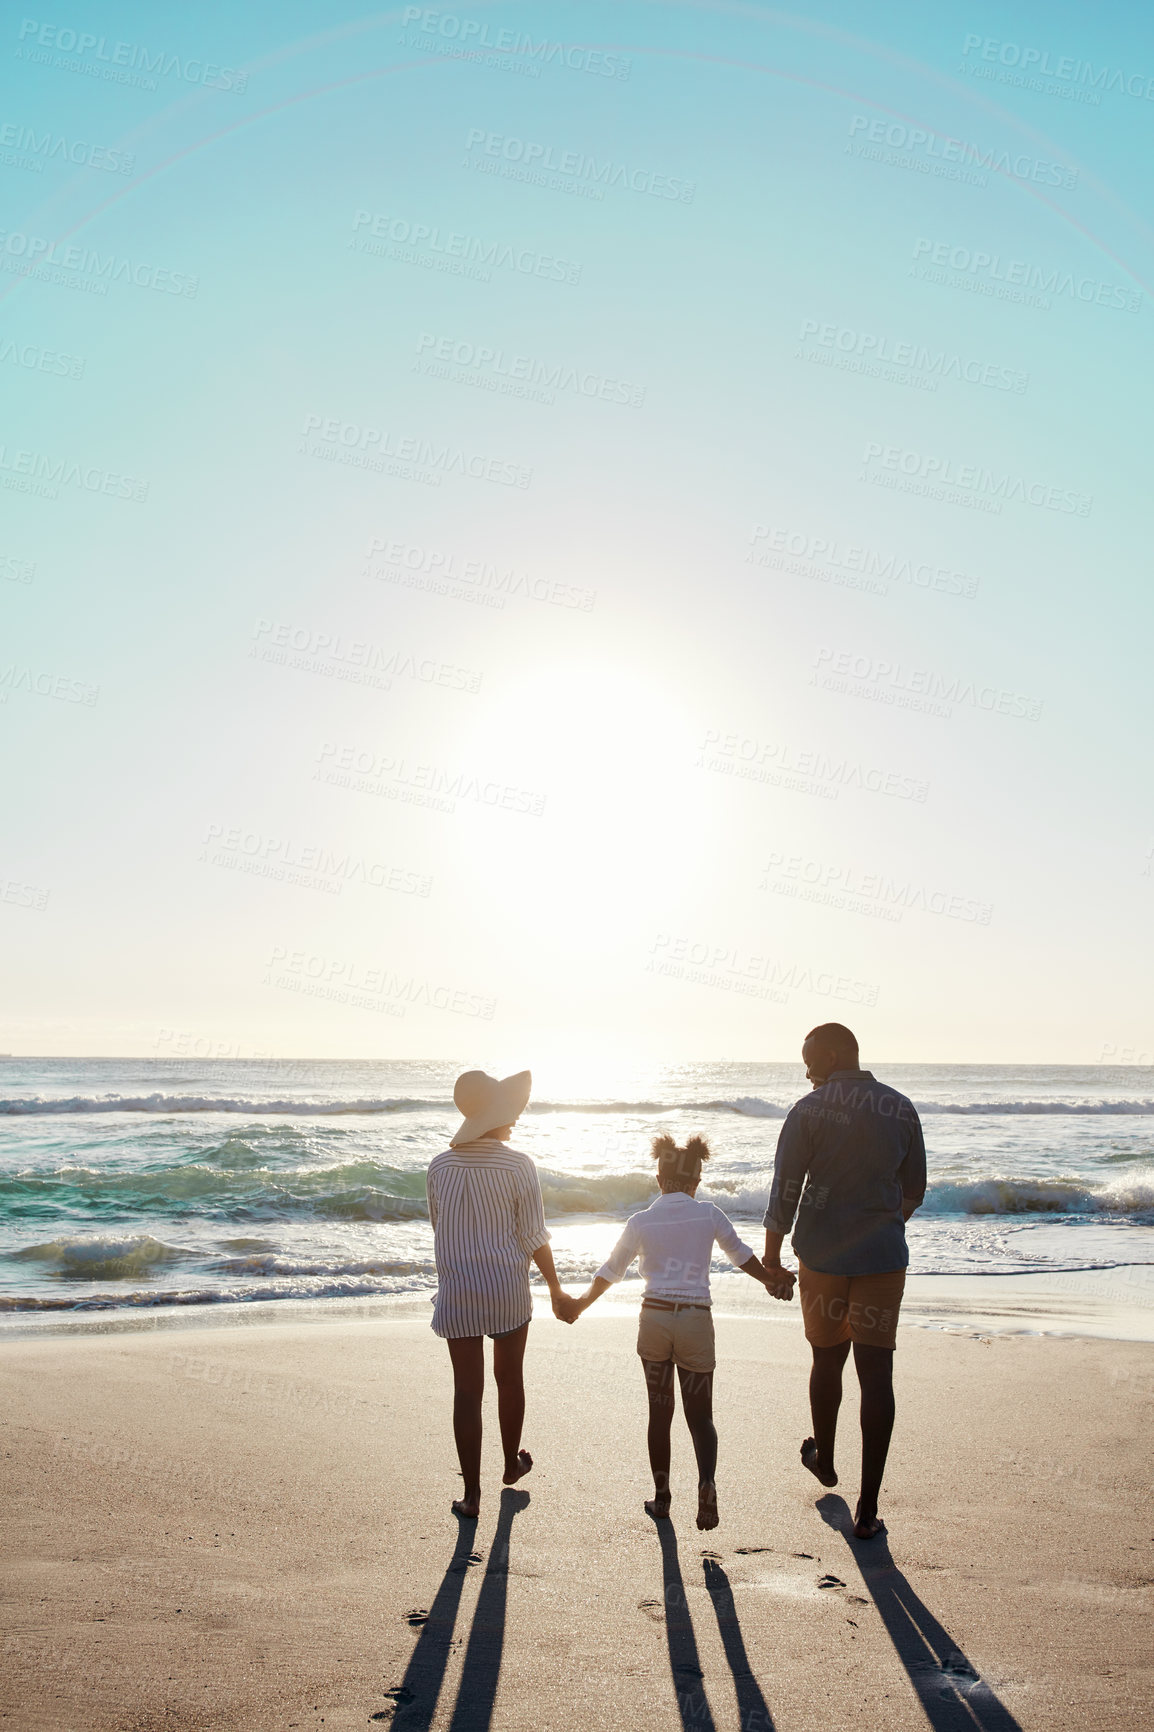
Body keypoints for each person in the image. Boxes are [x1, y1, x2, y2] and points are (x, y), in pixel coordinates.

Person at [567, 1134, 793, 1529]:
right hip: (694, 1320)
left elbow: (611, 1270)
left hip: (654, 1320)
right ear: (696, 1181)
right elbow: (741, 1256)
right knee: (700, 1416)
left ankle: (661, 1497)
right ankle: (706, 1483)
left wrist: (579, 1305)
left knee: (660, 1413)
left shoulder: (640, 1221)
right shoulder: (709, 1214)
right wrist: (771, 1282)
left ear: (659, 1179)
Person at [762, 1023, 926, 1539]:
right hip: (882, 1259)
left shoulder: (808, 1111)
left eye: (811, 1062)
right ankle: (868, 1509)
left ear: (833, 1055)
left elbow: (785, 1188)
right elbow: (914, 1190)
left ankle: (826, 1461)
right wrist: (879, 1224)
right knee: (876, 1373)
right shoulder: (899, 1106)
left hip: (823, 1259)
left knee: (826, 1358)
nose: (808, 1073)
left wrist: (772, 1260)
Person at [427, 1068, 573, 1519]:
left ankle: (472, 1496)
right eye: (509, 1111)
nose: (515, 1119)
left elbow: (439, 1227)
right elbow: (532, 1235)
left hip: (457, 1289)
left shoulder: (439, 1166)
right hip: (507, 1287)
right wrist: (555, 1288)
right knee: (509, 1379)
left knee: (466, 1392)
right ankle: (510, 1463)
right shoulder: (518, 1164)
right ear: (495, 1114)